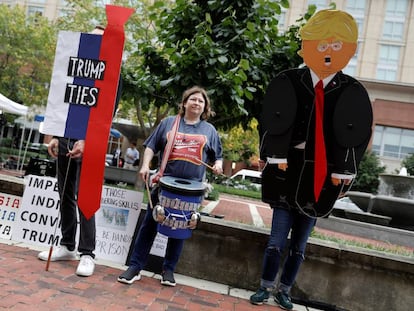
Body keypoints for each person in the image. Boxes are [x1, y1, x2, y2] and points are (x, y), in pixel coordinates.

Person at [250, 10, 373, 309]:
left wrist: (344, 172)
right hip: (286, 172)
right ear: (305, 46)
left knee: (299, 247)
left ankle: (285, 290)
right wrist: (274, 155)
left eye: (336, 45)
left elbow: (354, 135)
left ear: (351, 50)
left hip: (321, 178)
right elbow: (272, 121)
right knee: (276, 242)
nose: (327, 52)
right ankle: (266, 287)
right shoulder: (288, 81)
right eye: (320, 44)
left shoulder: (352, 91)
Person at [38, 25, 122, 277]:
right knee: (64, 193)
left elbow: (106, 114)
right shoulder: (72, 65)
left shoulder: (112, 72)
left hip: (92, 141)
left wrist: (86, 140)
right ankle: (67, 244)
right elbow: (60, 103)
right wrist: (54, 135)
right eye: (92, 37)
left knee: (85, 196)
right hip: (66, 137)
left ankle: (87, 253)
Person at [117, 86, 223, 286]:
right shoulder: (168, 123)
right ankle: (135, 267)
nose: (197, 103)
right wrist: (146, 165)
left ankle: (169, 270)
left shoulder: (210, 131)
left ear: (205, 107)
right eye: (193, 99)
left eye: (201, 101)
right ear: (184, 103)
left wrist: (217, 165)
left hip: (190, 191)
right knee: (149, 225)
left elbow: (218, 156)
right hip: (164, 185)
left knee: (180, 228)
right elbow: (150, 145)